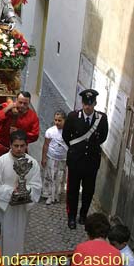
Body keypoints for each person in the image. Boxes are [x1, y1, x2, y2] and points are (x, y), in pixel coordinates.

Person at [0, 129, 42, 258]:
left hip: (19, 211)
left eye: (22, 146)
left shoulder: (32, 164)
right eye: (16, 146)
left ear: (26, 145)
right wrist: (12, 192)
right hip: (1, 211)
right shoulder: (0, 163)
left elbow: (36, 186)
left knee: (16, 242)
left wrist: (25, 192)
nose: (19, 149)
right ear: (10, 145)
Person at [62, 89, 109, 229]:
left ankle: (83, 215)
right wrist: (76, 150)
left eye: (90, 104)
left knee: (88, 191)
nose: (88, 107)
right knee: (72, 190)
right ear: (82, 103)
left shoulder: (101, 118)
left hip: (92, 162)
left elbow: (103, 137)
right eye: (85, 104)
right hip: (76, 161)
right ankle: (71, 216)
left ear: (95, 103)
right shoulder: (73, 117)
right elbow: (66, 136)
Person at [0, 92, 40, 159]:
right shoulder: (7, 107)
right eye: (20, 102)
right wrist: (7, 109)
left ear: (29, 103)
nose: (22, 105)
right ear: (16, 100)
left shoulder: (33, 116)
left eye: (25, 103)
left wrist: (19, 133)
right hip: (2, 148)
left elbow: (35, 136)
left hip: (19, 151)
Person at [41, 110, 68, 205]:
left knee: (59, 177)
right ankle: (49, 195)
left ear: (65, 120)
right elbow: (46, 145)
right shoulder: (50, 131)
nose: (57, 122)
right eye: (55, 120)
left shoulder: (68, 132)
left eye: (59, 120)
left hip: (63, 160)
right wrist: (44, 158)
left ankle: (57, 195)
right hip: (51, 158)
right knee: (51, 176)